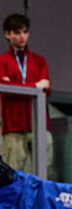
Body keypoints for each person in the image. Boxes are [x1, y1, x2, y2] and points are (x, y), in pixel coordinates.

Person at [0, 14, 53, 177]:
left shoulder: (38, 61)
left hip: (39, 123)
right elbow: (6, 90)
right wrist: (35, 86)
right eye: (17, 33)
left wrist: (19, 88)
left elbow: (47, 90)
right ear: (7, 34)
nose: (22, 37)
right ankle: (10, 203)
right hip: (14, 126)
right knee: (12, 173)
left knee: (46, 170)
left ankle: (41, 202)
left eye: (25, 32)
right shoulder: (2, 61)